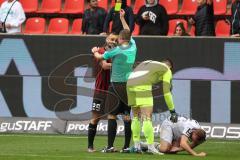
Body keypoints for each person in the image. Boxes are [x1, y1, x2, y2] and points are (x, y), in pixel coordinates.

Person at [92, 9, 137, 153]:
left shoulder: (116, 50)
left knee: (112, 114)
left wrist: (94, 51)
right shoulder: (133, 46)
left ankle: (110, 146)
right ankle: (126, 146)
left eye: (118, 39)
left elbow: (100, 58)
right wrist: (123, 18)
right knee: (126, 116)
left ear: (120, 39)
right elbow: (128, 31)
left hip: (116, 85)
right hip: (129, 86)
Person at [127, 60, 178, 154]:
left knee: (135, 117)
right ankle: (151, 147)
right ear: (170, 67)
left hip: (130, 83)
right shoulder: (167, 69)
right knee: (147, 117)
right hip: (142, 85)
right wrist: (172, 111)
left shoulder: (149, 63)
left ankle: (136, 146)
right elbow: (166, 92)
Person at [87, 33, 118, 152]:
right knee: (96, 118)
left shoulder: (117, 52)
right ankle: (90, 146)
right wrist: (120, 65)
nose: (113, 41)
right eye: (111, 39)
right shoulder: (100, 51)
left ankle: (110, 146)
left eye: (115, 39)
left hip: (113, 90)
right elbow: (104, 66)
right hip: (100, 90)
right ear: (106, 39)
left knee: (112, 117)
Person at [139, 116, 207, 157]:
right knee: (164, 149)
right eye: (193, 139)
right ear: (194, 133)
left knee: (171, 151)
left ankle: (147, 147)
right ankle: (144, 145)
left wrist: (178, 149)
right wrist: (195, 154)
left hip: (177, 132)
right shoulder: (190, 127)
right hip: (169, 124)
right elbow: (183, 143)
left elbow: (193, 144)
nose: (193, 141)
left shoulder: (202, 137)